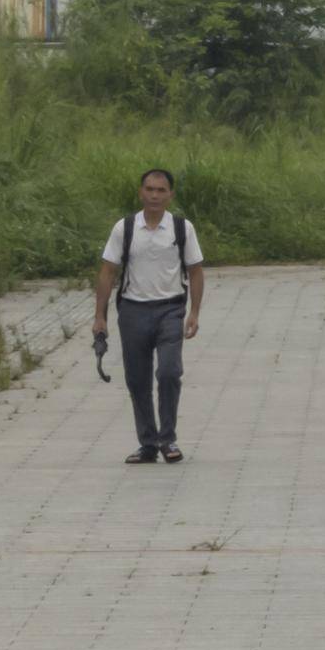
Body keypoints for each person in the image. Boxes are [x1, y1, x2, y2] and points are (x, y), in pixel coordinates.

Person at [93, 171, 205, 465]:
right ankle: (148, 443)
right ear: (141, 192)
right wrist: (99, 316)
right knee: (137, 380)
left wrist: (194, 312)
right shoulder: (125, 228)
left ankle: (168, 439)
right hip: (133, 312)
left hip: (170, 310)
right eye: (150, 189)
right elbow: (107, 271)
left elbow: (195, 270)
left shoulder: (182, 228)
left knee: (169, 372)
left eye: (161, 190)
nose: (155, 195)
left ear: (170, 195)